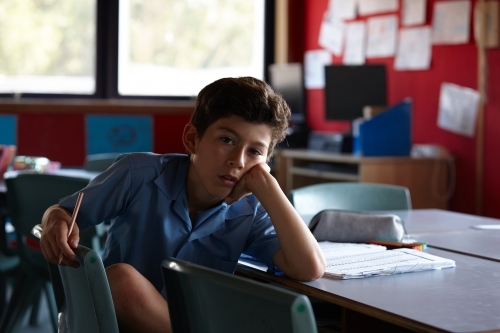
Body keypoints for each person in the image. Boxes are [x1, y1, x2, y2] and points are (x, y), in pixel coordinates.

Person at [40, 76, 326, 333]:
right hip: (116, 323)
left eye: (254, 151)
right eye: (227, 140)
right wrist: (56, 217)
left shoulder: (251, 211)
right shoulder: (137, 173)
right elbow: (64, 212)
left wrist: (271, 188)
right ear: (192, 138)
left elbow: (309, 268)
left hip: (195, 322)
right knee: (121, 280)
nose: (238, 161)